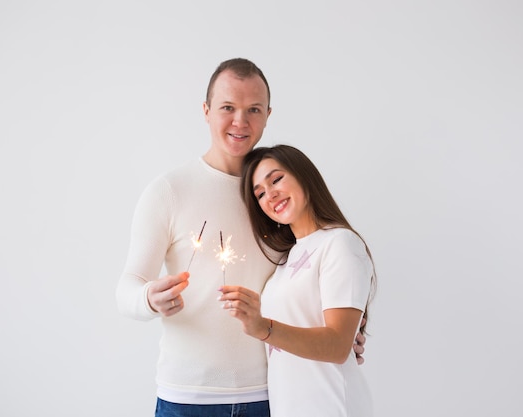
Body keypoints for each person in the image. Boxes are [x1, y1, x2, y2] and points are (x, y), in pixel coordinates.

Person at [116, 58, 366, 417]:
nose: (240, 122)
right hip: (189, 398)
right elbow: (127, 286)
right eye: (227, 108)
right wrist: (147, 298)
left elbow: (317, 278)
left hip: (273, 394)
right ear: (206, 111)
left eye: (253, 110)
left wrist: (342, 335)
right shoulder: (168, 191)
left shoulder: (279, 200)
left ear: (267, 115)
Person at [219, 144, 376, 417]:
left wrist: (262, 327)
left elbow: (339, 346)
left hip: (333, 407)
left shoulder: (340, 243)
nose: (271, 195)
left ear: (304, 176)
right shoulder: (285, 260)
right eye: (260, 194)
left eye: (276, 179)